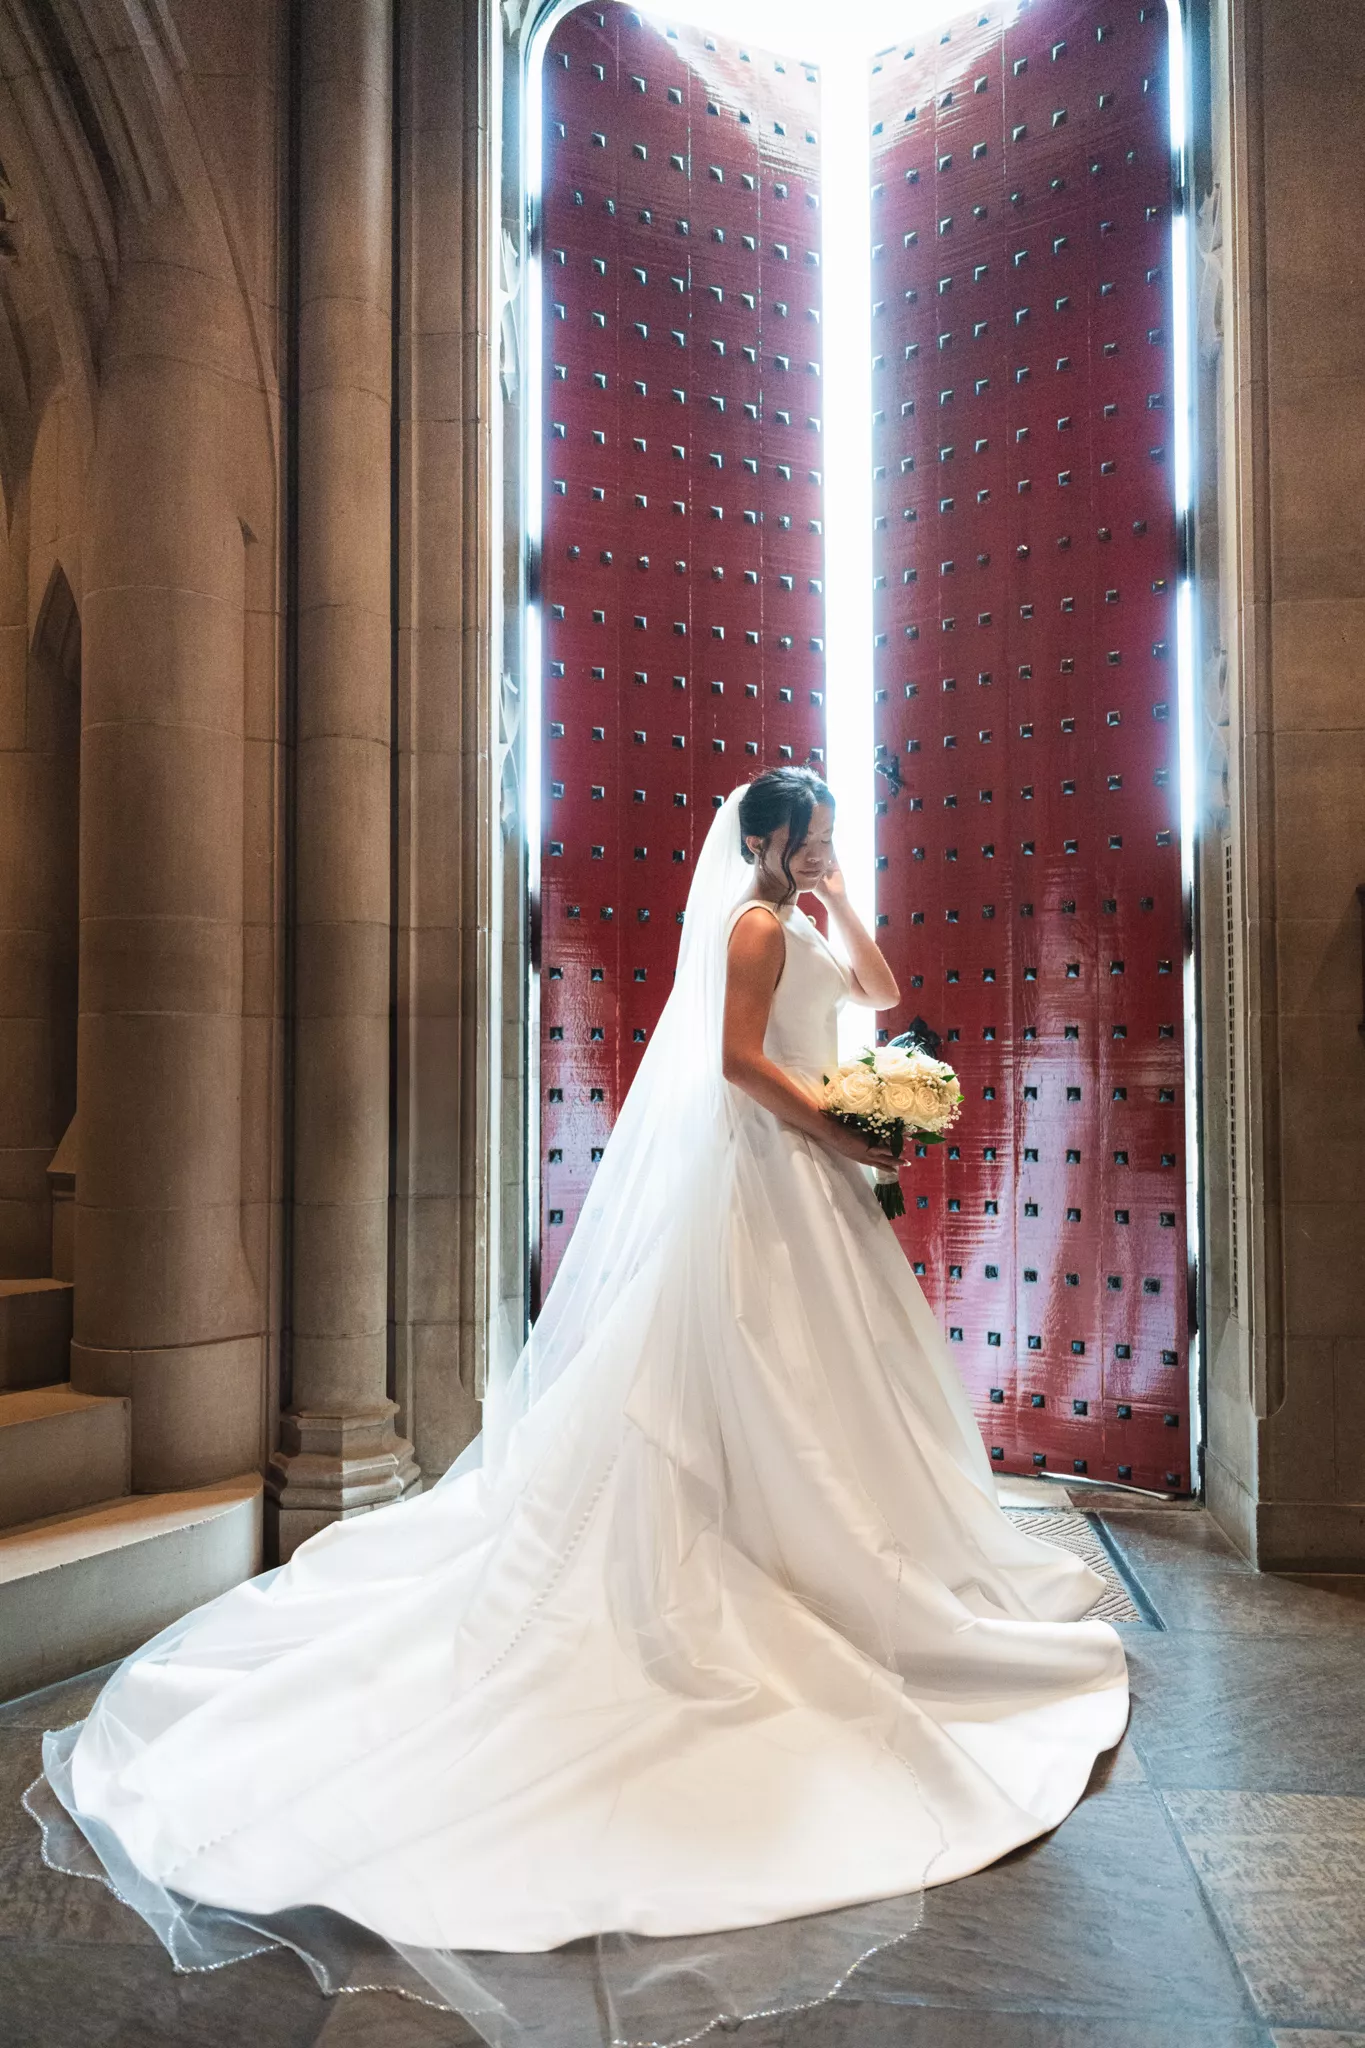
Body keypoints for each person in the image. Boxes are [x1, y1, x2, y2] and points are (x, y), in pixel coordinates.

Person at [30, 769, 1127, 2026]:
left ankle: (852, 1561)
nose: (824, 847)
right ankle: (774, 1573)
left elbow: (881, 999)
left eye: (831, 834)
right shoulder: (754, 928)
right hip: (780, 1175)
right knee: (758, 1386)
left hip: (823, 1190)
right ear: (763, 841)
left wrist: (850, 905)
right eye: (811, 834)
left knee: (845, 1394)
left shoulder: (810, 916)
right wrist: (843, 1124)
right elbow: (734, 1064)